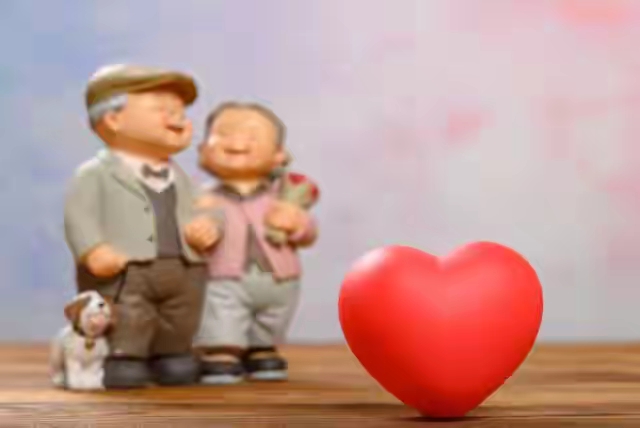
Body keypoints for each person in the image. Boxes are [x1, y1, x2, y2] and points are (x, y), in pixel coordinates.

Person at [63, 64, 223, 389]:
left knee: (180, 313)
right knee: (128, 312)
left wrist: (210, 224)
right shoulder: (95, 174)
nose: (178, 118)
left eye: (181, 112)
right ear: (114, 119)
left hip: (184, 265)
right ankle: (126, 357)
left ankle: (172, 353)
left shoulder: (180, 177)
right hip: (125, 268)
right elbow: (79, 215)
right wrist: (93, 249)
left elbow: (207, 207)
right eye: (163, 110)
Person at [194, 101, 319, 384]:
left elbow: (309, 233)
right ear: (203, 151)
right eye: (224, 133)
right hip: (223, 276)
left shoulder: (283, 198)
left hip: (279, 276)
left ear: (279, 155)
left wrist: (298, 223)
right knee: (221, 312)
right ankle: (222, 352)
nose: (237, 142)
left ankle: (261, 349)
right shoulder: (201, 198)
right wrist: (196, 229)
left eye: (252, 136)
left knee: (273, 315)